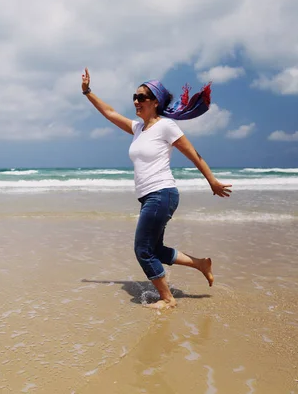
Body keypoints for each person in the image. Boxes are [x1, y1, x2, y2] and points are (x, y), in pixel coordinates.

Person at [81, 68, 232, 309]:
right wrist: (88, 92)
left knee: (142, 249)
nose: (136, 101)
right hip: (149, 197)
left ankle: (167, 299)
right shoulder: (139, 129)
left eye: (142, 97)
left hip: (162, 194)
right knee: (156, 249)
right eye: (135, 96)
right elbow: (110, 113)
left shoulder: (166, 126)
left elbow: (193, 155)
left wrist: (212, 181)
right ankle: (201, 264)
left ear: (155, 102)